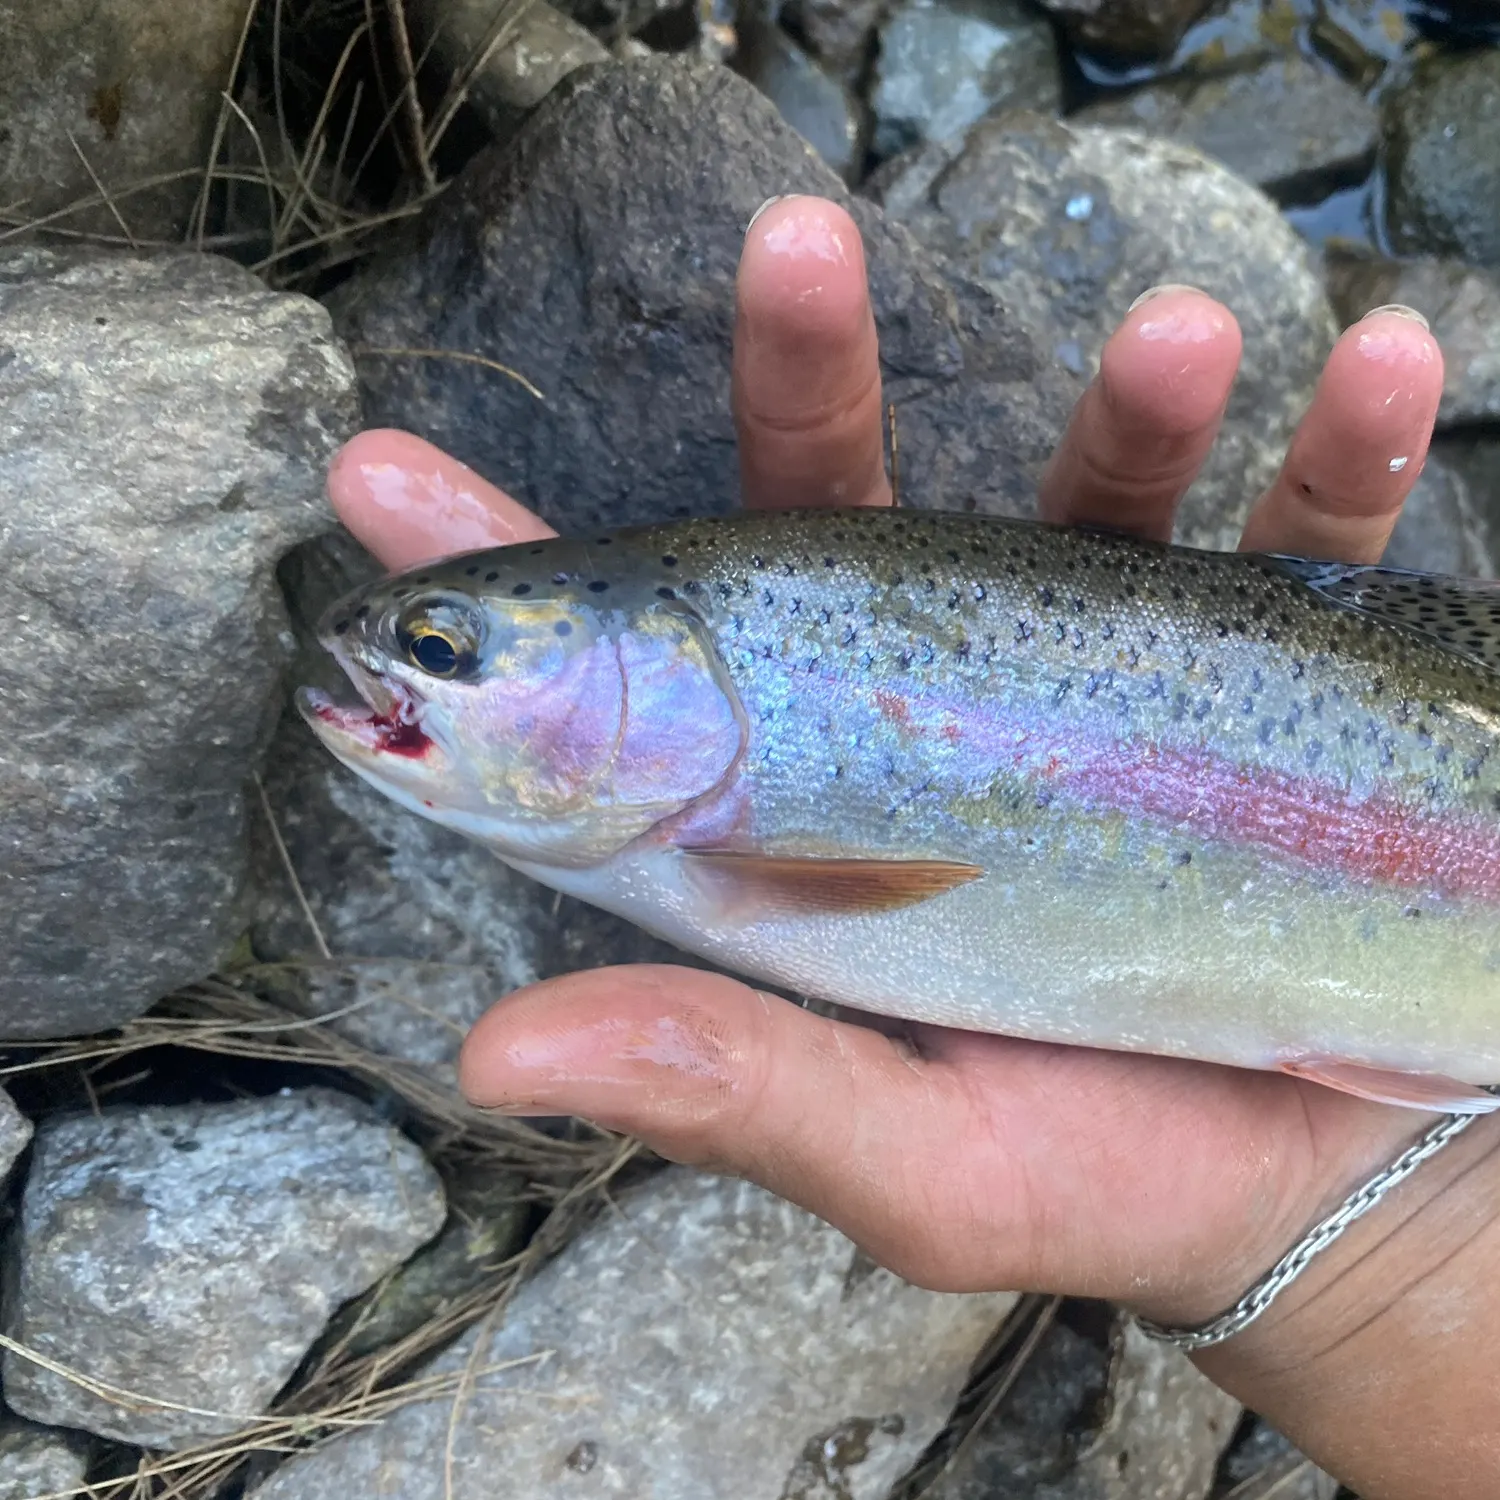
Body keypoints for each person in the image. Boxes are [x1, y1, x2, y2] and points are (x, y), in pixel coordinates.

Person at [323, 195, 1495, 1499]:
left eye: (442, 652)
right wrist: (1399, 1270)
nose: (416, 673)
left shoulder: (735, 841)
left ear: (671, 664)